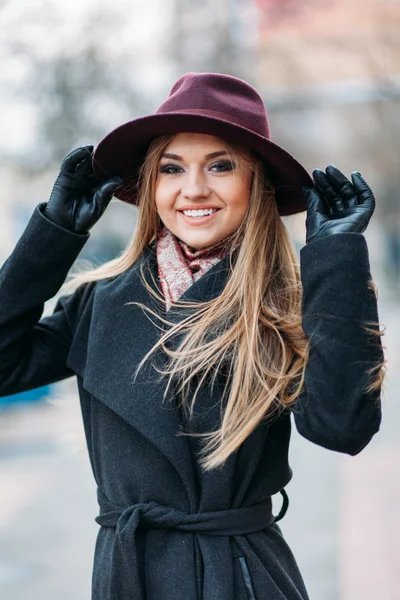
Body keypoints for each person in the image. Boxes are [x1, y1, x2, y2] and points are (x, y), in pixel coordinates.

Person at [0, 72, 386, 600]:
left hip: (240, 577)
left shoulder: (287, 302)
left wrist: (336, 256)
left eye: (221, 166)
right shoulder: (100, 300)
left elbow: (343, 427)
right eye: (171, 169)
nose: (194, 189)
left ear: (258, 185)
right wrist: (53, 232)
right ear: (150, 185)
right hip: (126, 576)